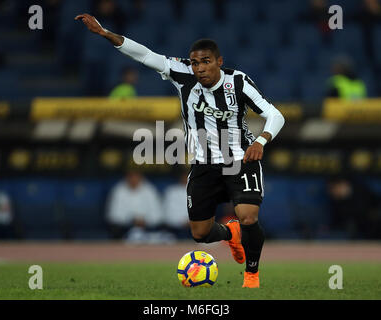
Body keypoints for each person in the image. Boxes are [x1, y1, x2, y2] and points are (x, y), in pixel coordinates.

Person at [76, 13, 285, 288]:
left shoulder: (238, 82)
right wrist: (106, 34)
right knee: (200, 233)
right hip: (203, 164)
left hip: (239, 158)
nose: (199, 68)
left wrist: (261, 141)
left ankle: (251, 275)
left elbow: (275, 115)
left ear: (219, 62)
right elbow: (145, 55)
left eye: (206, 62)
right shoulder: (181, 72)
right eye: (196, 62)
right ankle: (230, 233)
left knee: (248, 215)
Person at [105, 169, 163, 242]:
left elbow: (158, 214)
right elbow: (113, 215)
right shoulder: (118, 190)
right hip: (125, 229)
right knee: (115, 229)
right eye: (131, 177)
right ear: (126, 178)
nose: (133, 179)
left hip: (147, 228)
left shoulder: (150, 190)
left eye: (136, 176)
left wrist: (145, 220)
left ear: (141, 178)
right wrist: (131, 220)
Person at [162, 170, 191, 240]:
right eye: (184, 176)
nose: (186, 178)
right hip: (175, 229)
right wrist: (182, 222)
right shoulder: (172, 191)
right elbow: (168, 214)